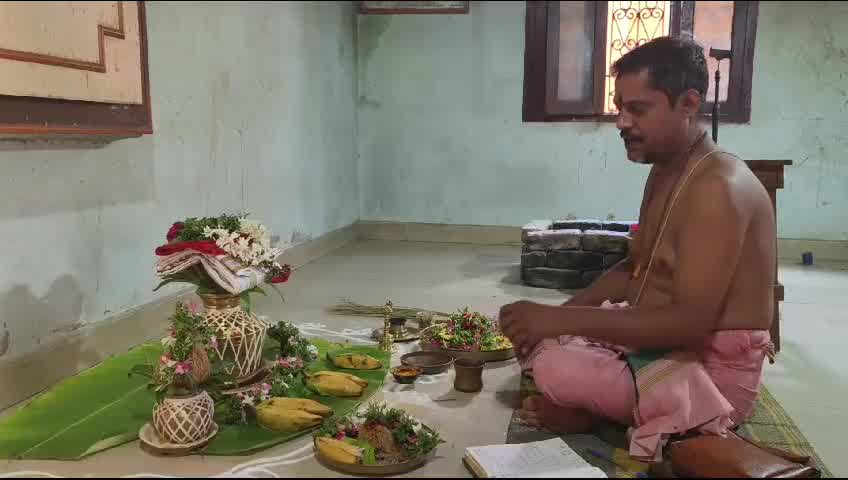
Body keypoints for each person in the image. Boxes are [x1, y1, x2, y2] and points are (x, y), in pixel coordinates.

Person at [499, 36, 777, 462]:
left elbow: (688, 324)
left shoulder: (718, 187)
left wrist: (556, 320)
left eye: (637, 109)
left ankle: (639, 416)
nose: (621, 122)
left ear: (688, 103)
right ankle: (618, 407)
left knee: (554, 367)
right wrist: (558, 318)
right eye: (619, 107)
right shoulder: (667, 169)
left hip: (709, 376)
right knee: (541, 343)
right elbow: (637, 269)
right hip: (660, 347)